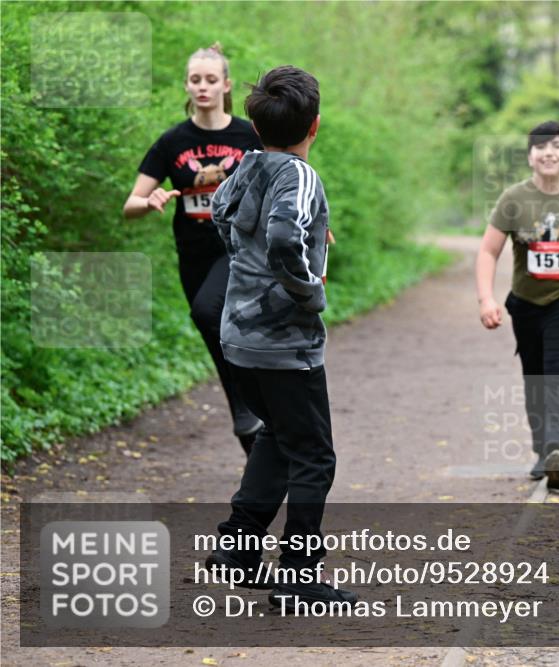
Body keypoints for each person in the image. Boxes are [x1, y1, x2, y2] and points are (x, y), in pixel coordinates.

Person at [205, 65, 354, 609]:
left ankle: (239, 546)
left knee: (278, 433)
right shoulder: (300, 175)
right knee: (315, 455)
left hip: (238, 336)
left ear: (257, 125)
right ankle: (298, 577)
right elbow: (285, 238)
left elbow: (221, 214)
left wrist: (248, 271)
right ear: (314, 125)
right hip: (284, 343)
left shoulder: (244, 166)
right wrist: (308, 291)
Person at [123, 43, 263, 455]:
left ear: (226, 85)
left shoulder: (248, 134)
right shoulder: (172, 142)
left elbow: (290, 175)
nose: (203, 87)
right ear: (187, 85)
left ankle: (247, 410)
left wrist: (312, 219)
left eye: (211, 79)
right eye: (195, 80)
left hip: (238, 249)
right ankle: (251, 424)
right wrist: (149, 202)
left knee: (206, 311)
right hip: (194, 256)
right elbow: (129, 204)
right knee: (216, 329)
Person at [476, 120, 559, 491]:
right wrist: (486, 298)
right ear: (530, 156)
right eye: (540, 147)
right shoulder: (513, 199)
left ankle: (558, 450)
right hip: (528, 305)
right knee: (536, 378)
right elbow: (488, 250)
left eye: (557, 146)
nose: (549, 152)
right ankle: (542, 451)